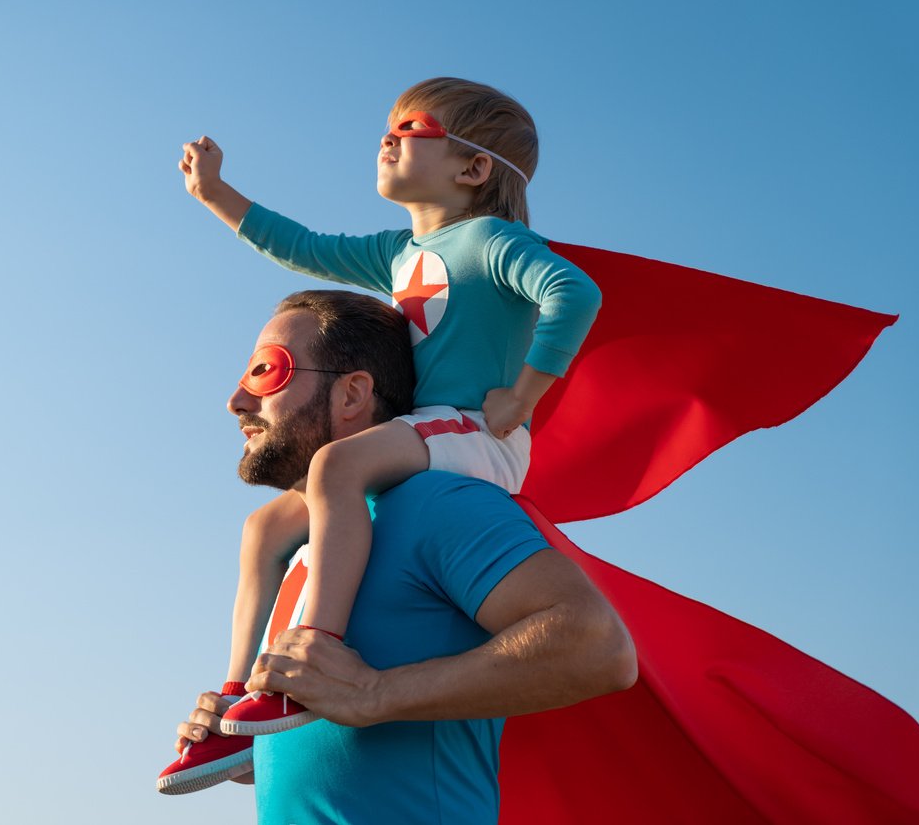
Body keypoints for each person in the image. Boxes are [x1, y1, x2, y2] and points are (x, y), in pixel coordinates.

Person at [177, 78, 603, 740]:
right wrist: (213, 195)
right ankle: (238, 695)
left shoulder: (491, 241)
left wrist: (523, 395)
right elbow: (302, 246)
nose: (386, 138)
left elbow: (572, 294)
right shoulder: (397, 254)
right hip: (419, 434)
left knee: (336, 468)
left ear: (473, 167)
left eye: (409, 130)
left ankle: (316, 650)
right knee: (264, 528)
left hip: (472, 431)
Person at [157, 290, 636, 820]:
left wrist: (375, 692)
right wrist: (257, 740)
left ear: (352, 394)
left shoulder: (435, 503)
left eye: (266, 372)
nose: (238, 401)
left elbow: (599, 646)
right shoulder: (301, 552)